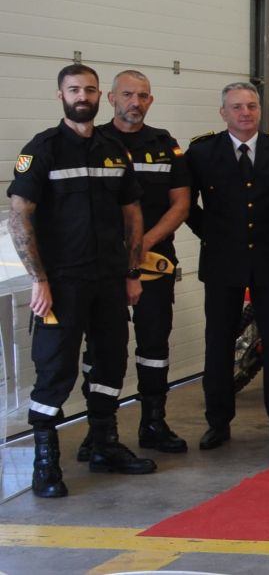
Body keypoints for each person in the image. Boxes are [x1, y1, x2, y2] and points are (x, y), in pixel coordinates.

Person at [11, 63, 156, 497]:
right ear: (60, 95)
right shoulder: (43, 149)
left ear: (100, 97)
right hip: (62, 283)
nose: (83, 96)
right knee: (55, 369)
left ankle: (104, 444)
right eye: (74, 89)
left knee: (111, 361)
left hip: (110, 279)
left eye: (90, 90)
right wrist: (39, 280)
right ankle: (45, 462)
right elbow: (20, 216)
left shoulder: (113, 147)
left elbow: (132, 213)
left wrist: (133, 272)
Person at [186, 81, 269, 449]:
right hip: (222, 261)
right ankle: (218, 422)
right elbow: (186, 205)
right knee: (218, 343)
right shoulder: (202, 152)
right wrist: (213, 234)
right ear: (223, 113)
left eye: (251, 106)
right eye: (236, 107)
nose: (245, 113)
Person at [91, 69, 191, 454]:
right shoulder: (94, 142)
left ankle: (154, 424)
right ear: (111, 98)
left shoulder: (165, 144)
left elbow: (181, 203)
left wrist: (142, 244)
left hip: (154, 262)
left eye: (143, 96)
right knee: (101, 349)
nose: (136, 102)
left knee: (153, 344)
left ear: (151, 100)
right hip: (103, 266)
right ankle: (100, 432)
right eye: (128, 95)